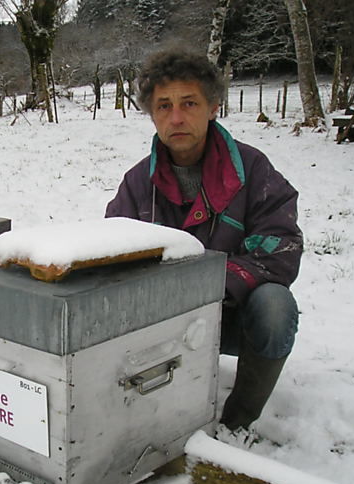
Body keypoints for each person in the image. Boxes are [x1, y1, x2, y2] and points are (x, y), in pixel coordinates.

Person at [105, 48, 303, 433]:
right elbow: (110, 254)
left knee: (276, 308)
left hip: (232, 314)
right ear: (152, 113)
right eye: (163, 106)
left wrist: (206, 284)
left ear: (213, 106)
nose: (176, 117)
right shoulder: (136, 182)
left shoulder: (252, 170)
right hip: (160, 316)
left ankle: (236, 425)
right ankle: (146, 418)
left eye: (189, 103)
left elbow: (281, 249)